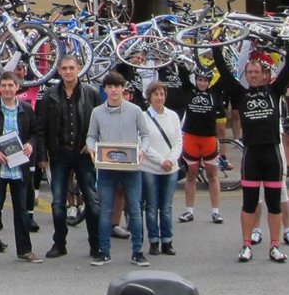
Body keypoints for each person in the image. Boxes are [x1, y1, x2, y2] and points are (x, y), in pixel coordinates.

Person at [213, 40, 289, 263]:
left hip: (272, 156)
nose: (252, 75)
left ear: (264, 74)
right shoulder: (240, 94)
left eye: (256, 72)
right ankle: (246, 245)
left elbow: (288, 68)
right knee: (249, 204)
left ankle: (275, 246)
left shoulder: (274, 91)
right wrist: (216, 49)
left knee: (274, 204)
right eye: (249, 72)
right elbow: (224, 72)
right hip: (251, 156)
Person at [35, 54, 103, 259]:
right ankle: (59, 243)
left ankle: (95, 244)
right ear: (59, 70)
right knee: (57, 203)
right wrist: (43, 155)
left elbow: (100, 123)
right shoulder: (49, 95)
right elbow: (41, 129)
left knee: (91, 201)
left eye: (71, 68)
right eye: (64, 68)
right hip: (60, 154)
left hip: (83, 154)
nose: (68, 72)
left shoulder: (91, 93)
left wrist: (91, 146)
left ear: (78, 68)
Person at [86, 70, 153, 268]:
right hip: (106, 167)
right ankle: (104, 252)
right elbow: (91, 136)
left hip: (131, 167)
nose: (114, 90)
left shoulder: (135, 111)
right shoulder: (97, 112)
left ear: (123, 89)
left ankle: (138, 252)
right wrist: (91, 149)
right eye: (110, 87)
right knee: (106, 210)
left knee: (134, 209)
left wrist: (143, 150)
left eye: (117, 86)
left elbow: (146, 134)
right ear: (105, 89)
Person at [0, 71, 41, 264]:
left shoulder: (26, 108)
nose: (6, 89)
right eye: (3, 85)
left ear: (16, 87)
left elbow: (35, 133)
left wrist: (31, 144)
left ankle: (25, 250)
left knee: (22, 210)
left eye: (10, 85)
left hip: (19, 167)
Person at [139, 80, 182, 257]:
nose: (160, 97)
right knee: (152, 206)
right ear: (149, 97)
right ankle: (154, 241)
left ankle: (167, 241)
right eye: (156, 94)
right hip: (150, 168)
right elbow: (144, 143)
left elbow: (179, 141)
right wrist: (161, 160)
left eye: (162, 94)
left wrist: (171, 160)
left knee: (166, 207)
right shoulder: (143, 117)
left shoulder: (172, 116)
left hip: (170, 169)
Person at [178, 65, 225, 224]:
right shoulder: (189, 91)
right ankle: (189, 211)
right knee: (191, 175)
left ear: (209, 82)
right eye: (199, 80)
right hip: (191, 138)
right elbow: (183, 74)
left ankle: (216, 212)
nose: (202, 83)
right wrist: (183, 62)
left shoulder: (215, 93)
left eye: (205, 81)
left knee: (212, 175)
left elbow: (225, 73)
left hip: (209, 140)